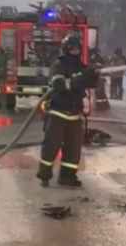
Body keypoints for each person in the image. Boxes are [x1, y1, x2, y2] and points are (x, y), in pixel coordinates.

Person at [37, 35, 99, 187]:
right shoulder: (58, 65)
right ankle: (44, 175)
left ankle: (67, 177)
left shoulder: (82, 67)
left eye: (77, 48)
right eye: (72, 48)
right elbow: (58, 83)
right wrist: (78, 79)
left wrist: (94, 73)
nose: (75, 51)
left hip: (74, 114)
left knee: (73, 149)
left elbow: (91, 82)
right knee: (51, 146)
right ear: (66, 49)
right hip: (58, 111)